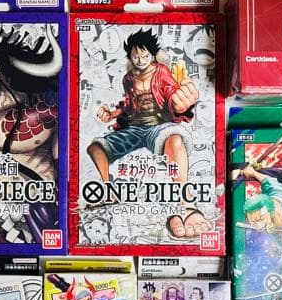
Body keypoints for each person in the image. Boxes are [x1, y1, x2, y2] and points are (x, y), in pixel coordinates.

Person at [87, 28, 205, 238]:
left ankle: (186, 202)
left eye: (144, 56)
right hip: (134, 128)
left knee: (174, 139)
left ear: (152, 55)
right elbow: (128, 104)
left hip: (158, 126)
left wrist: (181, 105)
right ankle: (108, 191)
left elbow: (172, 95)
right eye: (135, 57)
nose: (140, 60)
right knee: (96, 147)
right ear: (130, 57)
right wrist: (111, 114)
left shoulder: (161, 72)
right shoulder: (127, 78)